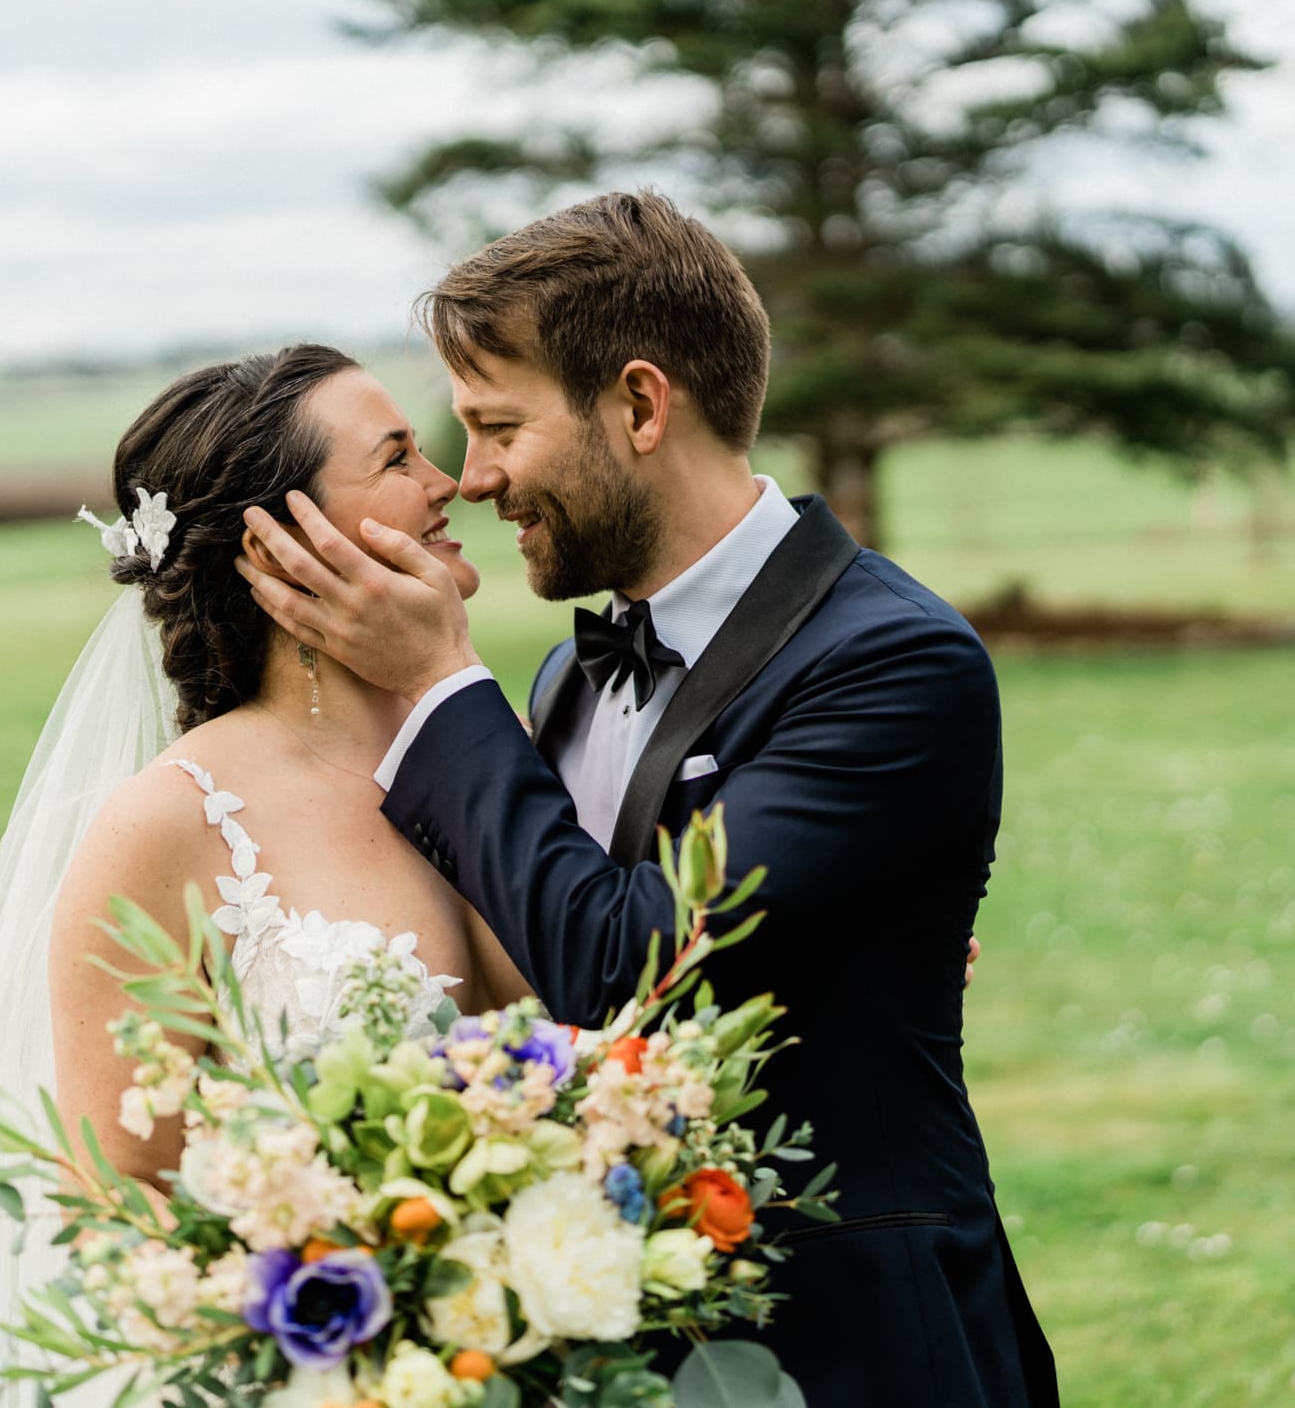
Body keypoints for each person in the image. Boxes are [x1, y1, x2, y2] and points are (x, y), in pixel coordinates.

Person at [238, 191, 1058, 1407]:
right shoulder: (568, 675)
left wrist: (435, 683)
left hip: (859, 1343)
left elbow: (628, 964)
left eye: (498, 425)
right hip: (613, 1343)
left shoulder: (893, 663)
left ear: (636, 403)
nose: (475, 480)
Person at [0, 343, 529, 1405]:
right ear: (282, 536)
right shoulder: (170, 822)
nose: (447, 481)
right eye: (398, 457)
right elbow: (115, 1205)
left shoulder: (496, 749)